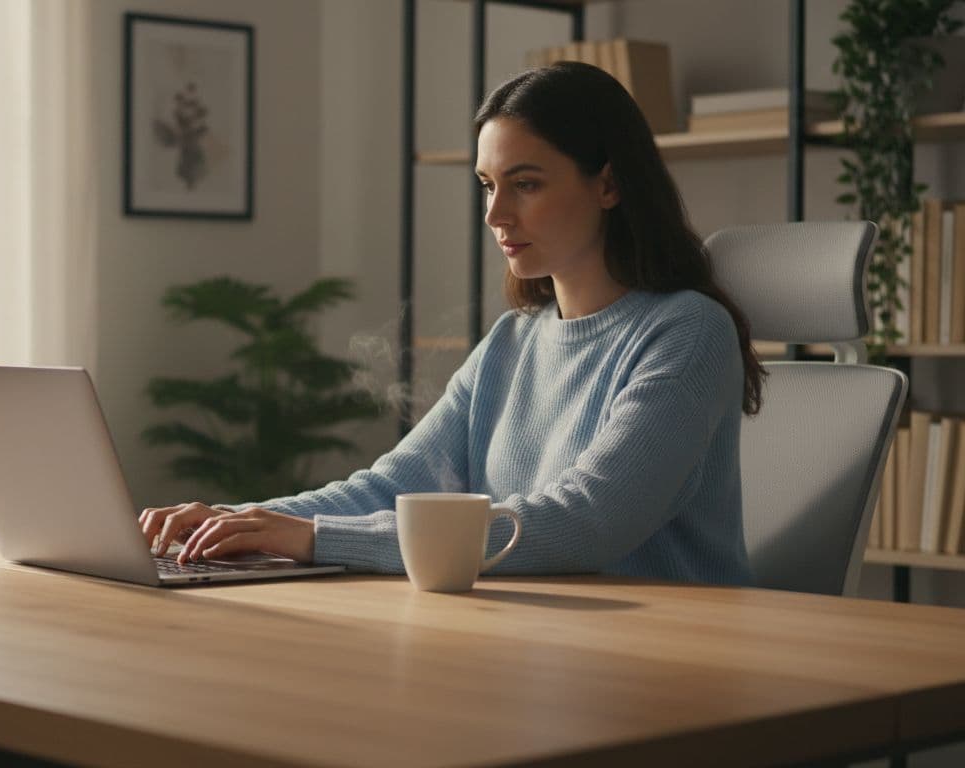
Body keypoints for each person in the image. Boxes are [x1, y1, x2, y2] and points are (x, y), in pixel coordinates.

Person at [138, 62, 765, 586]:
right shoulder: (513, 342)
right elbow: (391, 489)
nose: (496, 213)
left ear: (608, 184)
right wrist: (238, 520)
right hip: (543, 647)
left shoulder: (688, 333)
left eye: (525, 184)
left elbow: (587, 522)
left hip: (669, 661)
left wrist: (313, 538)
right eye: (487, 185)